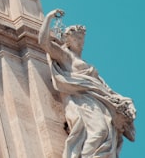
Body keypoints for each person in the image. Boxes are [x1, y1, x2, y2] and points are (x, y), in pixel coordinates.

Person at [39, 9, 136, 157]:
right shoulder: (65, 56)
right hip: (82, 100)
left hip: (98, 99)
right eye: (77, 38)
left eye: (82, 38)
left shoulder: (86, 64)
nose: (81, 42)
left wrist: (123, 101)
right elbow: (43, 42)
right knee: (100, 131)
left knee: (107, 133)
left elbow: (105, 89)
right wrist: (49, 17)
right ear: (68, 40)